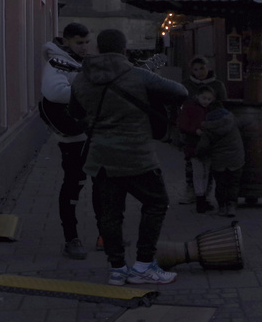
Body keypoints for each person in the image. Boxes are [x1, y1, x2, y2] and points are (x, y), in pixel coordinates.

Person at [70, 29, 188, 286]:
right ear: (124, 50)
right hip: (137, 156)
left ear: (98, 49)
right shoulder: (139, 75)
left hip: (101, 158)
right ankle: (144, 265)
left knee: (110, 214)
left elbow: (75, 113)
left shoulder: (80, 80)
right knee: (157, 203)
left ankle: (117, 269)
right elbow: (180, 92)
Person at [39, 22, 94, 260]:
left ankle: (106, 234)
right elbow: (56, 92)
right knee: (73, 184)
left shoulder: (81, 64)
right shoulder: (55, 62)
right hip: (71, 135)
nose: (84, 47)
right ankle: (71, 237)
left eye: (86, 42)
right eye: (79, 43)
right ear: (67, 41)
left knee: (102, 183)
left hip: (88, 133)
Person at [192, 88, 245, 217]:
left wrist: (197, 155)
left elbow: (202, 147)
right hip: (236, 158)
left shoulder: (208, 129)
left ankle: (222, 207)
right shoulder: (232, 120)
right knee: (233, 183)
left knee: (221, 184)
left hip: (218, 161)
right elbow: (245, 123)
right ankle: (231, 206)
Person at [181, 56, 228, 201]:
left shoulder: (217, 85)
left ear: (208, 68)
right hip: (192, 129)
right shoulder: (187, 85)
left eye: (202, 68)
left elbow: (223, 105)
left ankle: (206, 191)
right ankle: (191, 190)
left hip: (210, 128)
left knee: (209, 163)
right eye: (195, 69)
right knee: (191, 162)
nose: (199, 72)